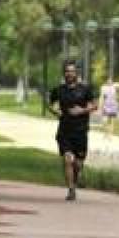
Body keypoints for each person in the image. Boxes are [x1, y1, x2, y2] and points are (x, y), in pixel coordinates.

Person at [48, 60, 98, 201]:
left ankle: (74, 181)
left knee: (78, 163)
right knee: (68, 159)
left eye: (72, 71)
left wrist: (82, 110)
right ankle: (71, 190)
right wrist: (55, 112)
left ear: (77, 73)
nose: (69, 74)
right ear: (64, 74)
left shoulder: (85, 89)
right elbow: (51, 104)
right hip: (64, 131)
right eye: (67, 71)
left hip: (81, 131)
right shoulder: (59, 90)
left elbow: (95, 106)